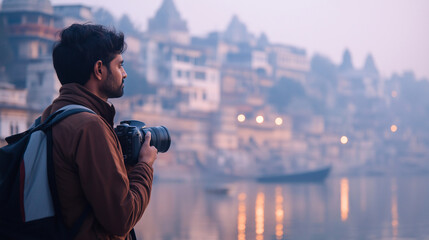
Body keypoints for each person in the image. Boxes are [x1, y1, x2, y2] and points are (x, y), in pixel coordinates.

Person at [41, 23, 158, 239]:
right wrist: (145, 165)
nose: (124, 74)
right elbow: (121, 218)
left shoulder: (51, 116)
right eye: (119, 66)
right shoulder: (89, 127)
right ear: (99, 70)